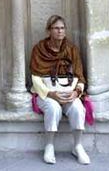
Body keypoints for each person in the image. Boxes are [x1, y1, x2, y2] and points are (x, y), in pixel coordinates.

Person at [30, 15, 90, 165]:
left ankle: (77, 146)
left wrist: (76, 92)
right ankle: (49, 146)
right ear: (49, 30)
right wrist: (51, 94)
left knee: (77, 107)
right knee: (53, 107)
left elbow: (80, 76)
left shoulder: (72, 49)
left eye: (62, 28)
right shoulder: (39, 49)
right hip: (47, 92)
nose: (60, 31)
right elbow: (35, 78)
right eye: (56, 28)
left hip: (68, 91)